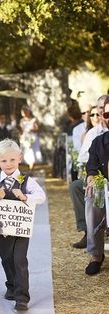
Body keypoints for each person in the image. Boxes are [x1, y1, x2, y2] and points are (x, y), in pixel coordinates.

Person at [0, 139, 46, 311]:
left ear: (19, 158)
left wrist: (26, 197)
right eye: (4, 161)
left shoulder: (27, 181)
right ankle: (11, 285)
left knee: (19, 259)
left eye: (12, 159)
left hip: (21, 227)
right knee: (6, 258)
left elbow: (41, 196)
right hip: (2, 227)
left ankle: (22, 297)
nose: (8, 164)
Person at [69, 95, 109, 249]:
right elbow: (85, 159)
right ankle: (90, 238)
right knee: (83, 190)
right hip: (99, 178)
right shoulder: (94, 135)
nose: (98, 114)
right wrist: (92, 175)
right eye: (104, 113)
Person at [84, 96, 109, 275]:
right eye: (107, 114)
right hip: (106, 188)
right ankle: (96, 255)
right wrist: (92, 178)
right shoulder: (98, 142)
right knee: (92, 196)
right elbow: (91, 167)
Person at [19, 105, 42, 170]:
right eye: (23, 112)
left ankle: (31, 167)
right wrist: (21, 135)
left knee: (32, 151)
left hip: (32, 137)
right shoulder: (21, 120)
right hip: (25, 137)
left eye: (26, 111)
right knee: (26, 151)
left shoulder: (33, 120)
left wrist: (31, 130)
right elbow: (21, 130)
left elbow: (37, 129)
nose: (25, 113)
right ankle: (27, 165)